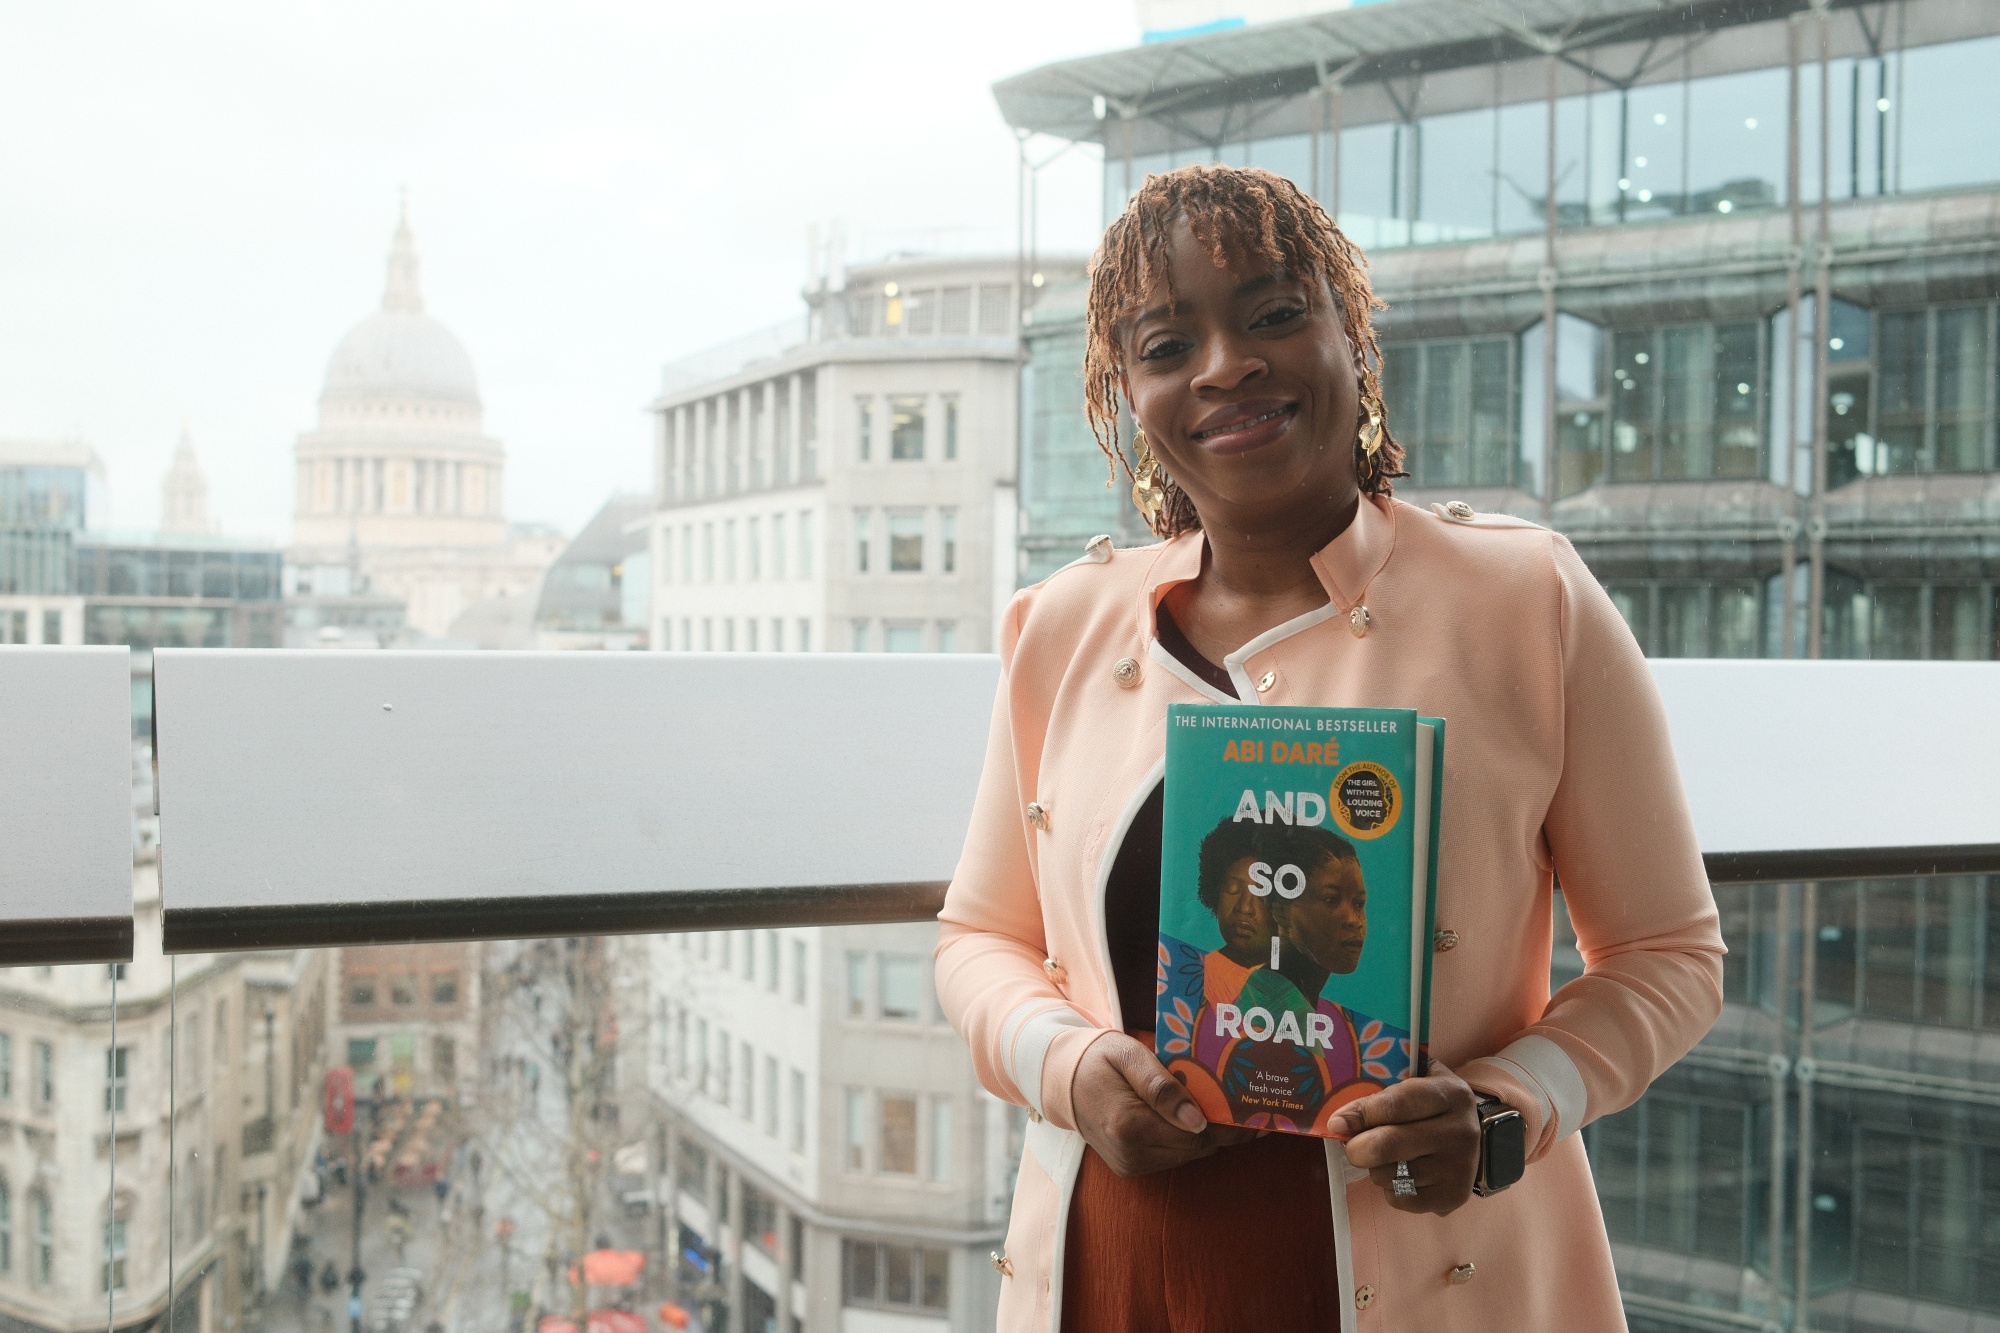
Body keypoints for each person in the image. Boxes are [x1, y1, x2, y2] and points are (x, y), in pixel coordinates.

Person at [934, 162, 1723, 1331]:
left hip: (1435, 1277)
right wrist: (1063, 1064)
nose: (1223, 366)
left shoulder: (1525, 600)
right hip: (1120, 1270)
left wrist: (1506, 1111)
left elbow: (1668, 954)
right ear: (1126, 396)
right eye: (1164, 344)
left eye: (1270, 314)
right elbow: (978, 939)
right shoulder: (1060, 624)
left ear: (1349, 332)